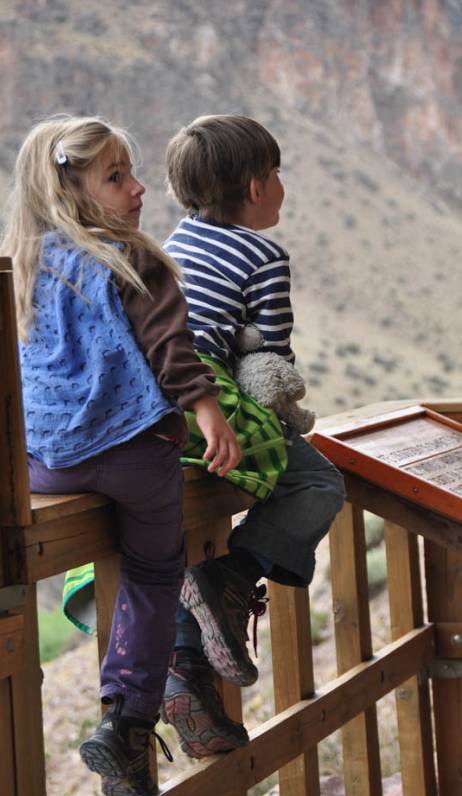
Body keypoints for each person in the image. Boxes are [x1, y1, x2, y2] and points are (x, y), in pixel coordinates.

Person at [0, 115, 241, 796]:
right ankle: (128, 720)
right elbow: (170, 350)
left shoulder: (20, 267)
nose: (138, 190)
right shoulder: (132, 258)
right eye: (116, 177)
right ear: (69, 191)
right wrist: (209, 415)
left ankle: (126, 767)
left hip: (43, 465)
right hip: (132, 454)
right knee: (156, 571)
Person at [161, 114, 345, 728]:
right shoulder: (264, 255)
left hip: (156, 400)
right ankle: (234, 577)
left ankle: (188, 673)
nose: (281, 185)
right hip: (205, 395)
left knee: (189, 521)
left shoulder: (175, 241)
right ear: (257, 186)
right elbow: (270, 360)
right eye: (277, 172)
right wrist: (286, 423)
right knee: (317, 482)